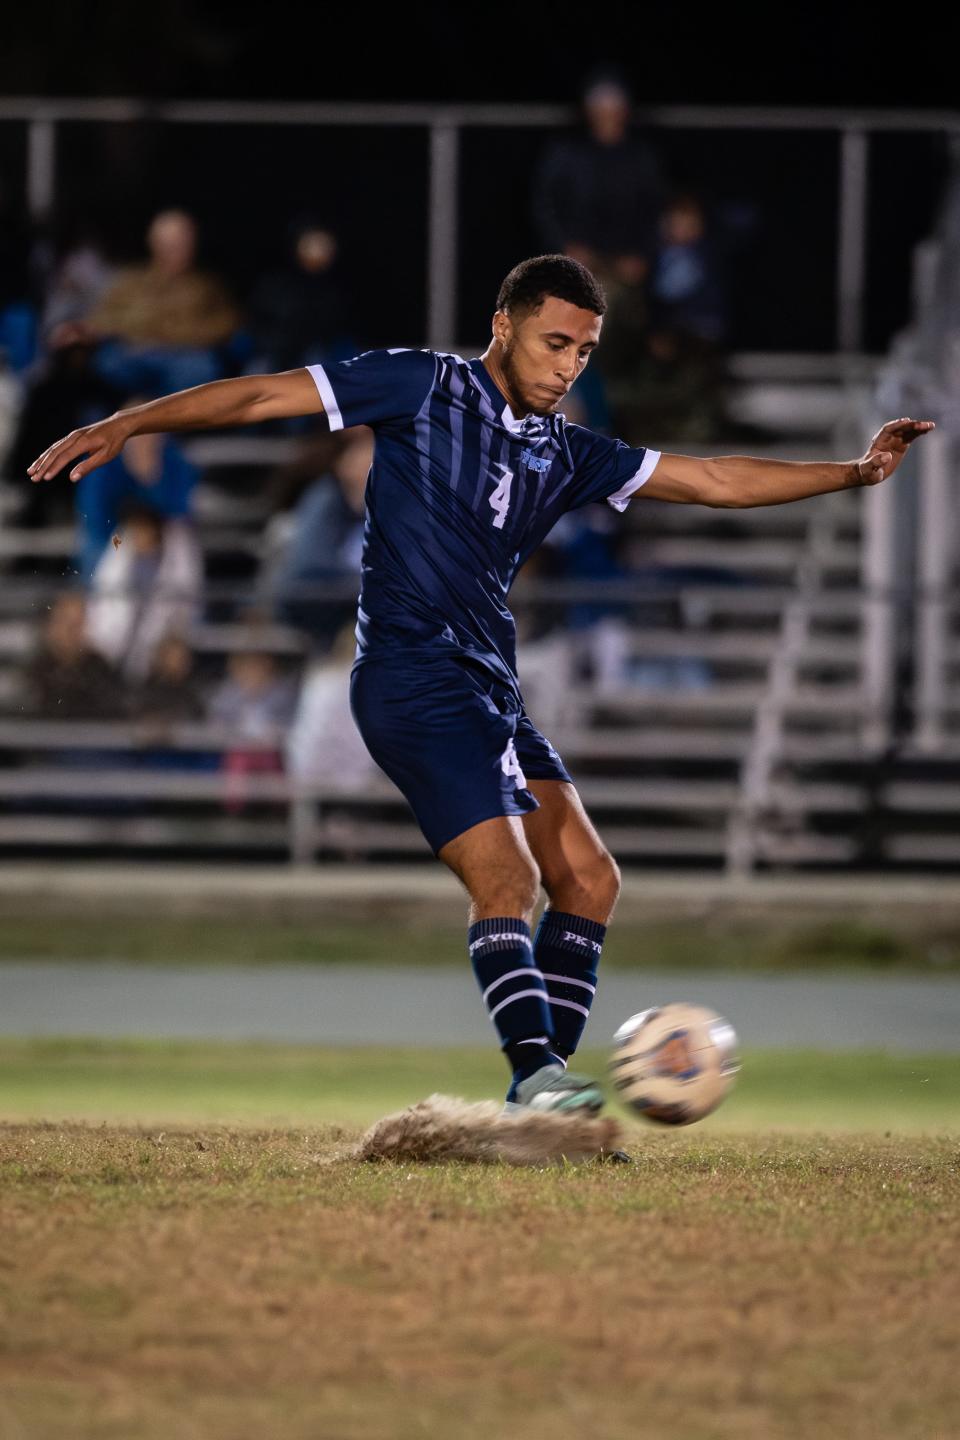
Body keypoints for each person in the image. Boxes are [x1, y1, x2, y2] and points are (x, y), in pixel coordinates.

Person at [28, 254, 936, 1120]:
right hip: (409, 678)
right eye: (554, 343)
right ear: (502, 326)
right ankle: (538, 1077)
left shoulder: (568, 451)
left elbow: (712, 478)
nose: (569, 365)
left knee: (588, 877)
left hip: (487, 684)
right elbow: (268, 394)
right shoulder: (422, 385)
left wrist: (852, 474)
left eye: (584, 350)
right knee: (508, 874)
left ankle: (542, 1092)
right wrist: (134, 421)